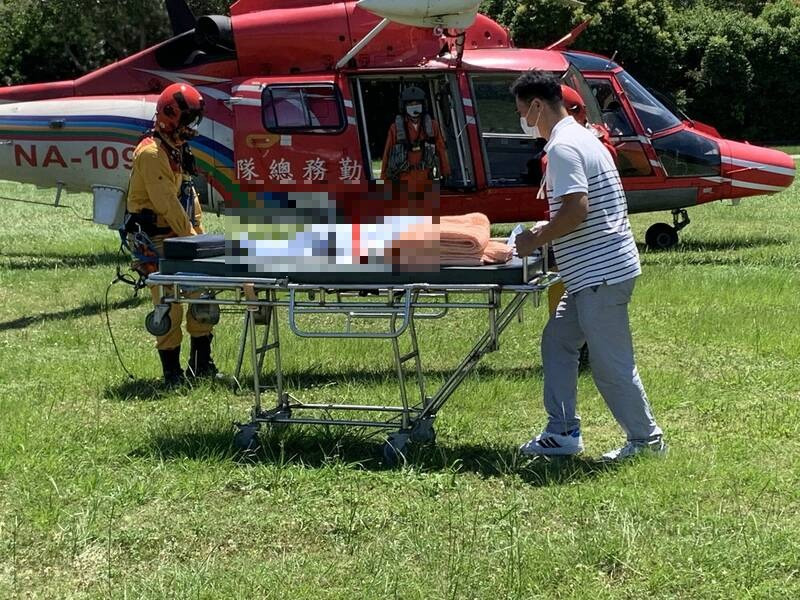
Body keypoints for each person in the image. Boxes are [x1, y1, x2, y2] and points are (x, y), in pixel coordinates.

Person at [511, 70, 665, 462]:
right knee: (558, 341)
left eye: (521, 112)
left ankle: (646, 442)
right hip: (593, 273)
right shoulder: (582, 137)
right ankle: (562, 431)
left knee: (611, 365)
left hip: (601, 274)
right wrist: (549, 231)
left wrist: (535, 239)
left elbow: (577, 210)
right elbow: (580, 207)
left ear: (536, 106)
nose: (522, 121)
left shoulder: (563, 147)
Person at [124, 83, 218, 386]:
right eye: (188, 120)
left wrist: (202, 241)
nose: (191, 127)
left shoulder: (175, 149)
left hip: (179, 235)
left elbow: (190, 201)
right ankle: (172, 374)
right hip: (155, 240)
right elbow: (167, 204)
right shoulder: (151, 154)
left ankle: (201, 366)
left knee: (203, 295)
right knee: (169, 304)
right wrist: (194, 241)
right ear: (170, 117)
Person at [381, 85, 451, 186]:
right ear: (404, 106)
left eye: (417, 103)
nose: (414, 106)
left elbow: (441, 150)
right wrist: (383, 181)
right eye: (410, 103)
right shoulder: (395, 128)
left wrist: (446, 174)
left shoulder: (432, 126)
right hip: (403, 181)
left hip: (426, 180)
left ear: (423, 104)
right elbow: (387, 154)